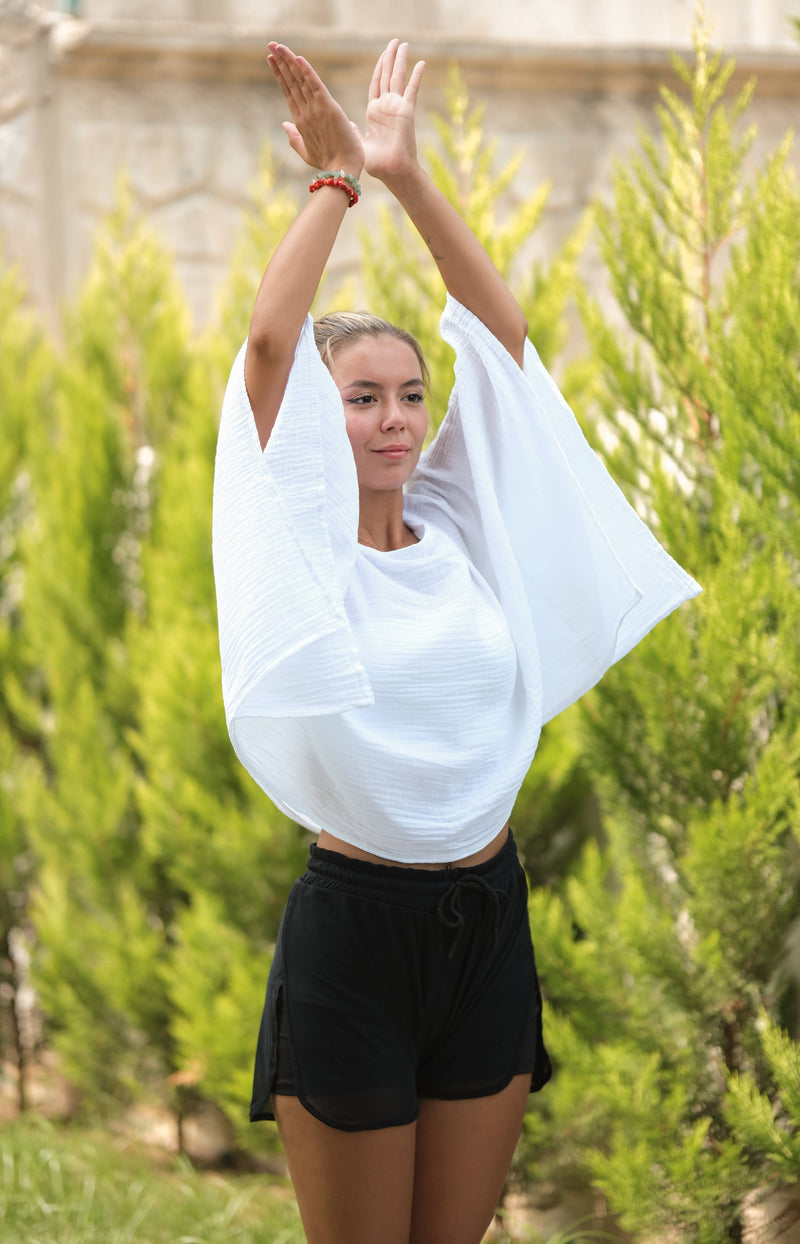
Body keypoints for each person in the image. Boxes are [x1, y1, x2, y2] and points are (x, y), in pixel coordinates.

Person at [212, 38, 701, 1244]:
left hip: (485, 919)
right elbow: (267, 356)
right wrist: (335, 186)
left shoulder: (458, 520)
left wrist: (408, 177)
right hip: (355, 931)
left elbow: (503, 334)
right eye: (362, 397)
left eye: (409, 394)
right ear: (323, 425)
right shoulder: (305, 550)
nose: (391, 418)